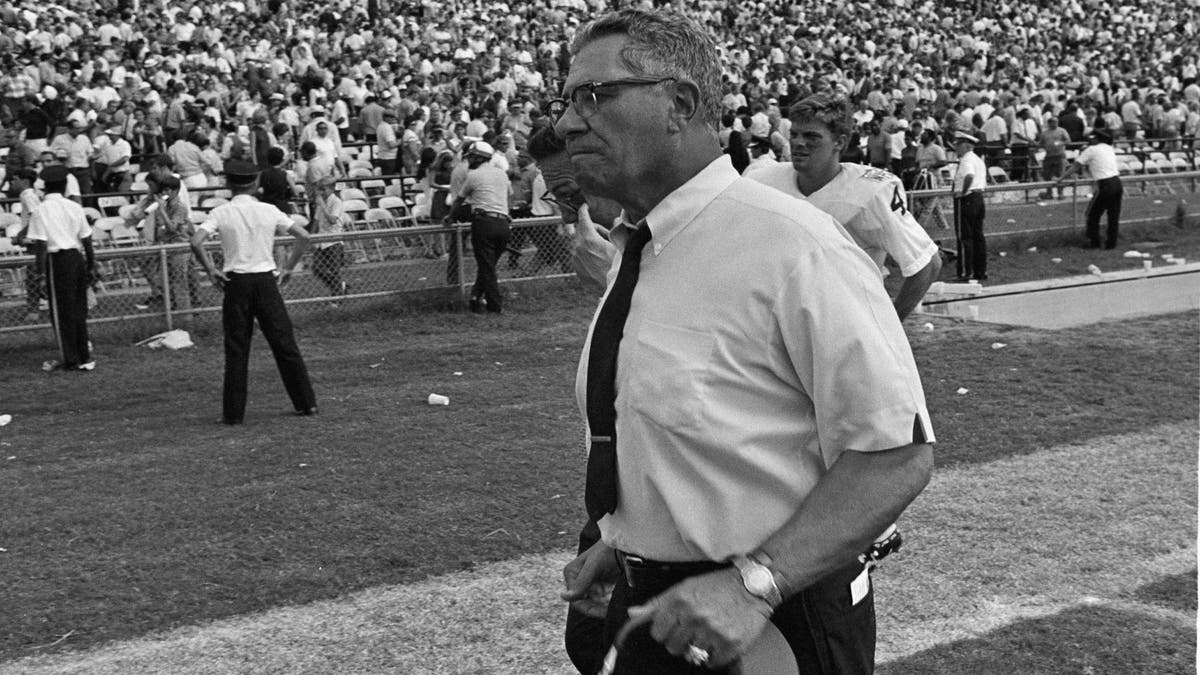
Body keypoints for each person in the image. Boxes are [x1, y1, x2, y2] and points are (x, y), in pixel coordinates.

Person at [554, 9, 934, 674]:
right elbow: (707, 438)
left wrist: (754, 581)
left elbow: (895, 456)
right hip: (663, 609)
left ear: (680, 103)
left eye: (594, 95)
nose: (565, 122)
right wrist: (626, 541)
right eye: (566, 100)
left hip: (769, 616)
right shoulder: (641, 244)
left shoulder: (794, 246)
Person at [745, 93, 942, 320]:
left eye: (811, 136)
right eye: (795, 134)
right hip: (777, 316)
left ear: (840, 141)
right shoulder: (762, 179)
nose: (799, 142)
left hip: (845, 317)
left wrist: (891, 324)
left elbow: (927, 263)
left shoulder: (873, 191)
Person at [190, 159, 318, 425]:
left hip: (236, 282)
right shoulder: (268, 210)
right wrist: (289, 268)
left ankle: (233, 413)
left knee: (237, 348)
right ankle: (306, 403)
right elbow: (304, 236)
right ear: (256, 182)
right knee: (284, 343)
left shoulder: (221, 212)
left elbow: (196, 241)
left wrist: (211, 269)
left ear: (228, 183)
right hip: (265, 281)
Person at [25, 165, 96, 372]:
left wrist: (39, 274)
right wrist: (90, 265)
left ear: (45, 187)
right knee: (78, 310)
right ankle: (84, 356)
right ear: (65, 186)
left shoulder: (41, 210)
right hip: (77, 258)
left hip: (57, 260)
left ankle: (70, 359)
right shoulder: (74, 207)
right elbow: (87, 239)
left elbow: (40, 245)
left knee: (61, 312)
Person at [450, 141, 512, 313]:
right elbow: (509, 195)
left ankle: (494, 305)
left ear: (477, 157)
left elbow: (459, 200)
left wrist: (450, 216)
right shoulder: (501, 174)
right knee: (488, 265)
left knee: (487, 267)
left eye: (471, 156)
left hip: (484, 223)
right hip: (503, 223)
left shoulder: (474, 175)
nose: (469, 159)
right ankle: (475, 298)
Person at [127, 173, 193, 322]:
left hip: (178, 248)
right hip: (165, 247)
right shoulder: (163, 206)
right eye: (163, 191)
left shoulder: (180, 208)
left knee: (179, 281)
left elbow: (172, 228)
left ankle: (186, 315)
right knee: (163, 281)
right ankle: (171, 312)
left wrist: (162, 211)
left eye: (168, 191)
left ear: (175, 191)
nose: (164, 194)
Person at [1056, 128, 1123, 249]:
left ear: (1096, 139)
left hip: (1105, 184)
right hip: (1117, 182)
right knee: (1113, 216)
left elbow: (1076, 166)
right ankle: (1111, 244)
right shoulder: (1108, 148)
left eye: (1091, 139)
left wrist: (1061, 179)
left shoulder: (1091, 150)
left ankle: (1094, 242)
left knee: (1092, 215)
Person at [951, 131, 988, 281]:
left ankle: (966, 272)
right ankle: (980, 270)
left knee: (964, 237)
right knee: (978, 236)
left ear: (966, 145)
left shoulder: (967, 160)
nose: (956, 149)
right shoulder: (978, 159)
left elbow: (969, 176)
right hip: (978, 198)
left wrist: (962, 192)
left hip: (966, 199)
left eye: (958, 145)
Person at [309, 174, 349, 297]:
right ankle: (340, 286)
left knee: (334, 270)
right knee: (317, 268)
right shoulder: (321, 202)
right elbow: (316, 221)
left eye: (323, 189)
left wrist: (322, 205)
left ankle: (337, 297)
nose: (321, 192)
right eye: (319, 189)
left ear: (331, 189)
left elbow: (332, 220)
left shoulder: (336, 202)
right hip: (321, 241)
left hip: (333, 240)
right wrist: (311, 237)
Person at [1037, 117, 1071, 199]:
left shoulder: (1062, 131)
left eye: (1056, 122)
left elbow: (1068, 141)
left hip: (1059, 155)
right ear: (1049, 123)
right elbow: (1041, 143)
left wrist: (1060, 142)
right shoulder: (1044, 133)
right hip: (1049, 156)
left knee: (1060, 174)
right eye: (1053, 122)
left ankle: (1060, 193)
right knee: (1047, 175)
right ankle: (1049, 193)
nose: (1055, 124)